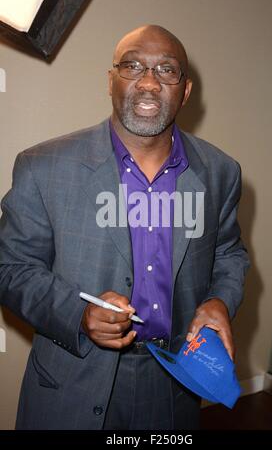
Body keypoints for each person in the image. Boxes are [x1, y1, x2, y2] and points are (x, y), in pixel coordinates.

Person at [0, 25, 250, 430]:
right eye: (132, 66)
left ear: (185, 91)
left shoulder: (221, 172)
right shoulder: (42, 166)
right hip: (71, 384)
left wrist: (220, 299)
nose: (149, 82)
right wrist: (78, 314)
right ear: (111, 81)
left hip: (173, 387)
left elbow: (229, 253)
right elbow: (10, 269)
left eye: (166, 70)